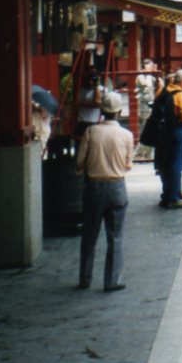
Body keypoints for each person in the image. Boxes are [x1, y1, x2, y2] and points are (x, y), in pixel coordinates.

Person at [76, 92, 134, 291]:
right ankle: (112, 280)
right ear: (119, 112)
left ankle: (85, 278)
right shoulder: (127, 135)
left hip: (94, 186)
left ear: (101, 111)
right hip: (117, 186)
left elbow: (80, 161)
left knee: (89, 235)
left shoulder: (91, 132)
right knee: (115, 236)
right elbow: (128, 164)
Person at [155, 70, 182, 209]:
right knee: (176, 164)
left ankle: (166, 195)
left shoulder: (162, 91)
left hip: (162, 131)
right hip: (177, 131)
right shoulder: (181, 95)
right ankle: (173, 197)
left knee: (165, 163)